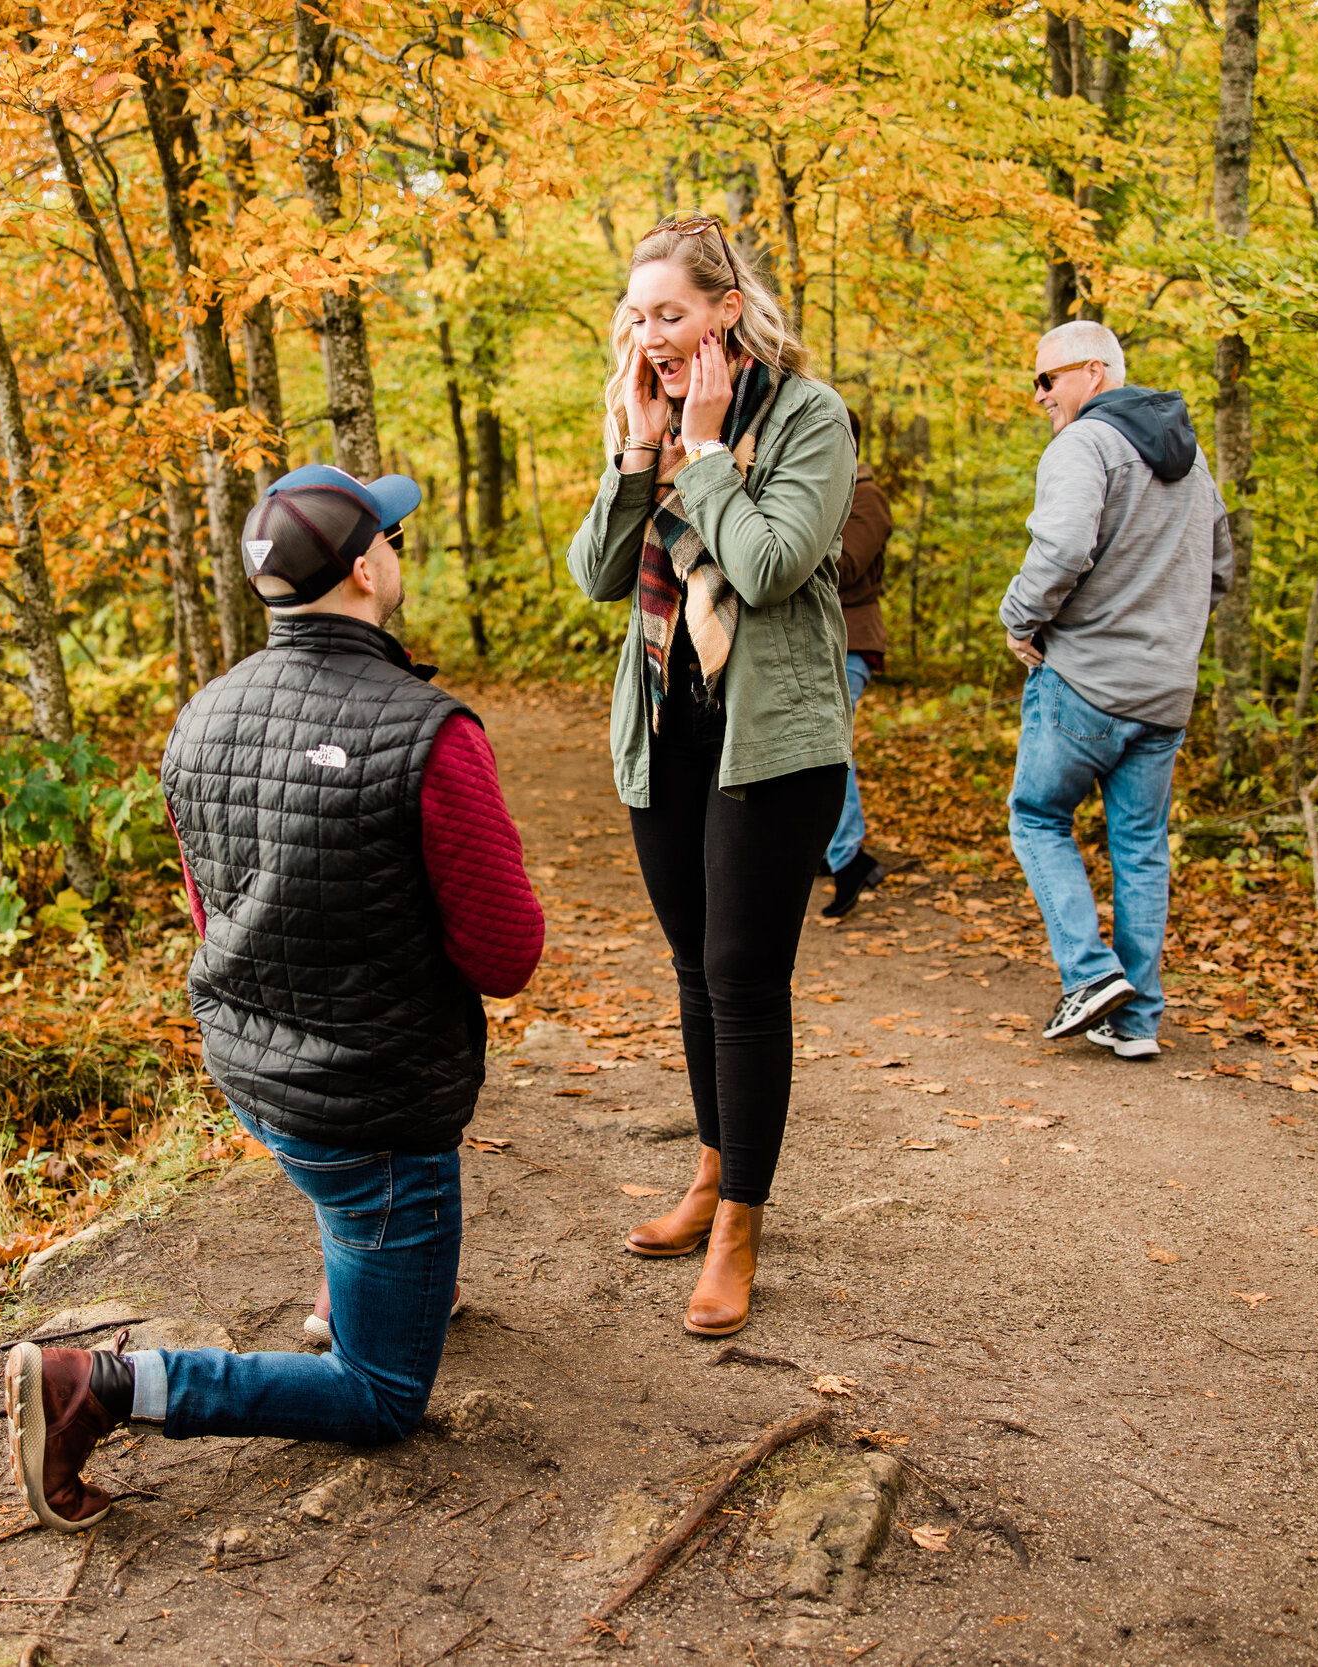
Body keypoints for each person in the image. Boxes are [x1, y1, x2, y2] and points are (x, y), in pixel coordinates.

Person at [6, 464, 543, 1529]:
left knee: (346, 1192)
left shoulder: (200, 717)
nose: (398, 550)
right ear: (362, 567)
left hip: (254, 1072)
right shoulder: (428, 732)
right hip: (373, 1111)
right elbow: (504, 953)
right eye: (391, 535)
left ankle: (349, 1277)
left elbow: (217, 918)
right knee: (383, 1393)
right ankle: (102, 1385)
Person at [565, 213, 858, 1339]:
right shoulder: (643, 411)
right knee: (693, 966)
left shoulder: (807, 417)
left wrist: (699, 453)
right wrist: (638, 452)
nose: (650, 334)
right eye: (638, 315)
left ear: (726, 309)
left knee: (742, 976)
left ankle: (740, 1219)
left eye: (671, 313)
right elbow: (598, 573)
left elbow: (772, 564)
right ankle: (706, 1169)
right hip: (664, 723)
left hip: (771, 739)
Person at [998, 321, 1233, 1059]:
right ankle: (1135, 1020)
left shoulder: (1086, 446)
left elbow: (1063, 548)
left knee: (1036, 817)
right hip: (1165, 695)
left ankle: (1092, 974)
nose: (1039, 396)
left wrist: (1019, 618)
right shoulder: (1192, 466)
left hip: (1084, 683)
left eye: (1047, 379)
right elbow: (1219, 570)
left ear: (1093, 372)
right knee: (1140, 847)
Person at [820, 412, 895, 919]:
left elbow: (845, 567)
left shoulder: (867, 499)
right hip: (822, 641)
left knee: (828, 749)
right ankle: (834, 853)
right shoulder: (825, 490)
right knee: (822, 748)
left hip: (850, 641)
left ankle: (848, 857)